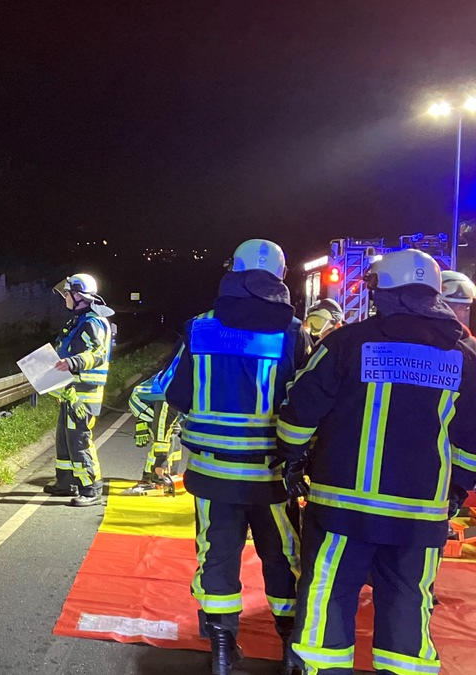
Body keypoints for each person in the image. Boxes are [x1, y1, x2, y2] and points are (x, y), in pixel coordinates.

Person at [277, 249, 476, 675]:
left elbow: (300, 409)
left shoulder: (347, 343)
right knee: (408, 604)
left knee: (328, 599)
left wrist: (292, 459)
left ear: (381, 292)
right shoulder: (465, 355)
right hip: (420, 515)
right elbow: (470, 439)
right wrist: (456, 488)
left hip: (342, 511)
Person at [164, 239, 305, 675]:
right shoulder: (292, 332)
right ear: (279, 279)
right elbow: (304, 402)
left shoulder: (199, 327)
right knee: (283, 554)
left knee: (217, 553)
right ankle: (289, 651)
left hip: (212, 472)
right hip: (271, 474)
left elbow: (177, 394)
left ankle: (223, 652)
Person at [46, 273, 113, 507]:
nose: (64, 297)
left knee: (79, 441)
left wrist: (72, 363)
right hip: (70, 392)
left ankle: (91, 488)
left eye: (66, 293)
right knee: (64, 438)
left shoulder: (93, 323)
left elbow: (97, 354)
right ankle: (66, 482)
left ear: (78, 295)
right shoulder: (79, 320)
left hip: (84, 394)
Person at [124, 357, 184, 496]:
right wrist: (161, 461)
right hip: (142, 402)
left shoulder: (184, 383)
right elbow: (161, 432)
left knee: (174, 437)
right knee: (164, 439)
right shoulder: (170, 394)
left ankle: (168, 476)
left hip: (155, 399)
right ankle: (152, 478)